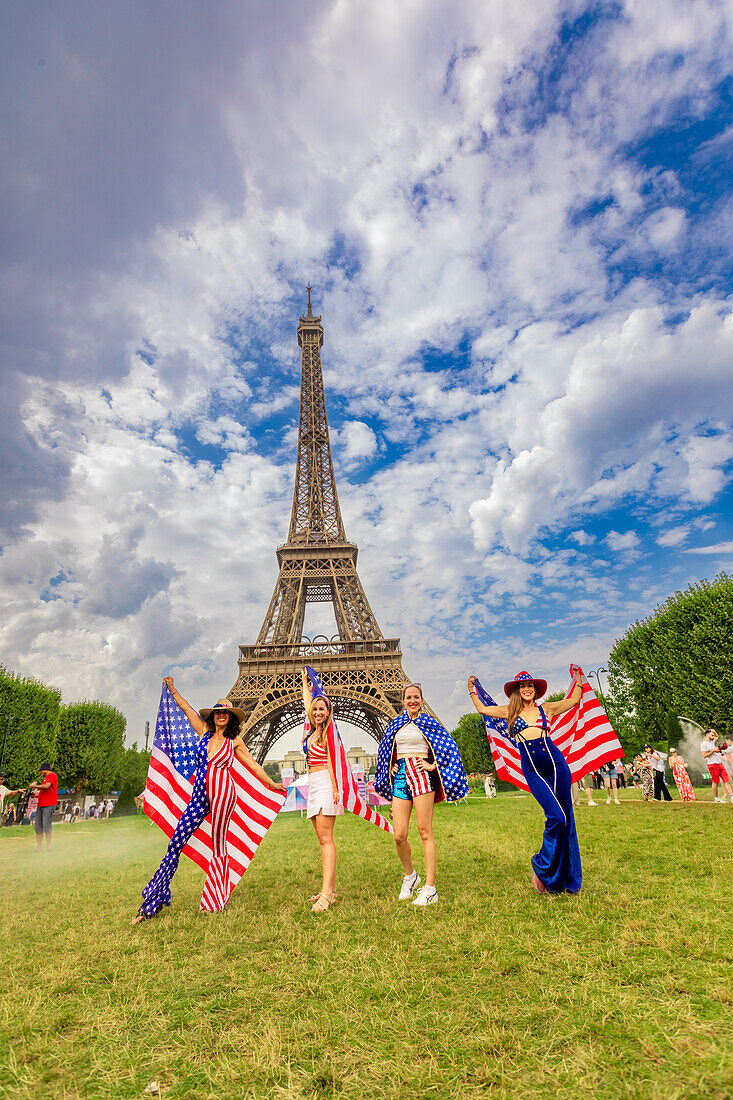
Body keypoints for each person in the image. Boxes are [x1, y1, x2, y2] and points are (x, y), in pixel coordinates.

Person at [133, 679, 285, 923]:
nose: (221, 715)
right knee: (175, 843)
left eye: (225, 712)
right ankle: (155, 898)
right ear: (213, 716)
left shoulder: (234, 742)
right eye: (218, 712)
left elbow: (254, 765)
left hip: (224, 794)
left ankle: (214, 900)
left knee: (219, 846)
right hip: (200, 796)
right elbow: (187, 709)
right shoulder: (203, 732)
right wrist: (173, 689)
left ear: (230, 717)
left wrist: (272, 783)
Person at [469, 669, 583, 895]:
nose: (527, 689)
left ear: (535, 690)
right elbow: (482, 709)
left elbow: (574, 700)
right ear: (517, 691)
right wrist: (471, 689)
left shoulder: (546, 708)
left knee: (567, 819)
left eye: (530, 685)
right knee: (556, 817)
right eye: (522, 686)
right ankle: (542, 865)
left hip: (557, 764)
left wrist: (578, 677)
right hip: (532, 770)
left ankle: (565, 878)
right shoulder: (510, 711)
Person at [375, 683, 468, 907]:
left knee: (425, 831)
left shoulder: (429, 722)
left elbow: (448, 747)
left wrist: (432, 765)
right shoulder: (396, 723)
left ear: (422, 700)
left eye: (416, 697)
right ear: (403, 700)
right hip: (401, 777)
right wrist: (389, 767)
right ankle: (410, 876)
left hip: (421, 775)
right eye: (409, 697)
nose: (412, 700)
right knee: (399, 835)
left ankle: (430, 887)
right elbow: (385, 750)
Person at [301, 668, 343, 912]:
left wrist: (336, 788)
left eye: (322, 709)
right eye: (315, 709)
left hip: (326, 785)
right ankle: (331, 889)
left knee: (327, 839)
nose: (317, 712)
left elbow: (331, 762)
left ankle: (326, 894)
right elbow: (308, 702)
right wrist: (305, 683)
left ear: (328, 713)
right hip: (313, 786)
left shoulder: (328, 733)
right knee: (321, 839)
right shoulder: (311, 730)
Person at [28, 763, 58, 851]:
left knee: (46, 825)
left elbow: (46, 787)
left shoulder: (52, 776)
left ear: (45, 769)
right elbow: (44, 791)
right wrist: (35, 794)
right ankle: (38, 848)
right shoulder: (45, 778)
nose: (40, 773)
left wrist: (34, 786)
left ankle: (49, 847)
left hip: (49, 804)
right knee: (38, 826)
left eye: (41, 771)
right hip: (41, 805)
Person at [700, 728, 733, 803]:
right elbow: (704, 755)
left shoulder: (712, 741)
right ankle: (716, 798)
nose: (714, 736)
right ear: (707, 735)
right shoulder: (704, 744)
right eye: (712, 735)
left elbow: (717, 736)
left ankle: (732, 797)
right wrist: (713, 751)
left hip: (720, 764)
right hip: (712, 764)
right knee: (715, 782)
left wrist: (714, 731)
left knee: (727, 780)